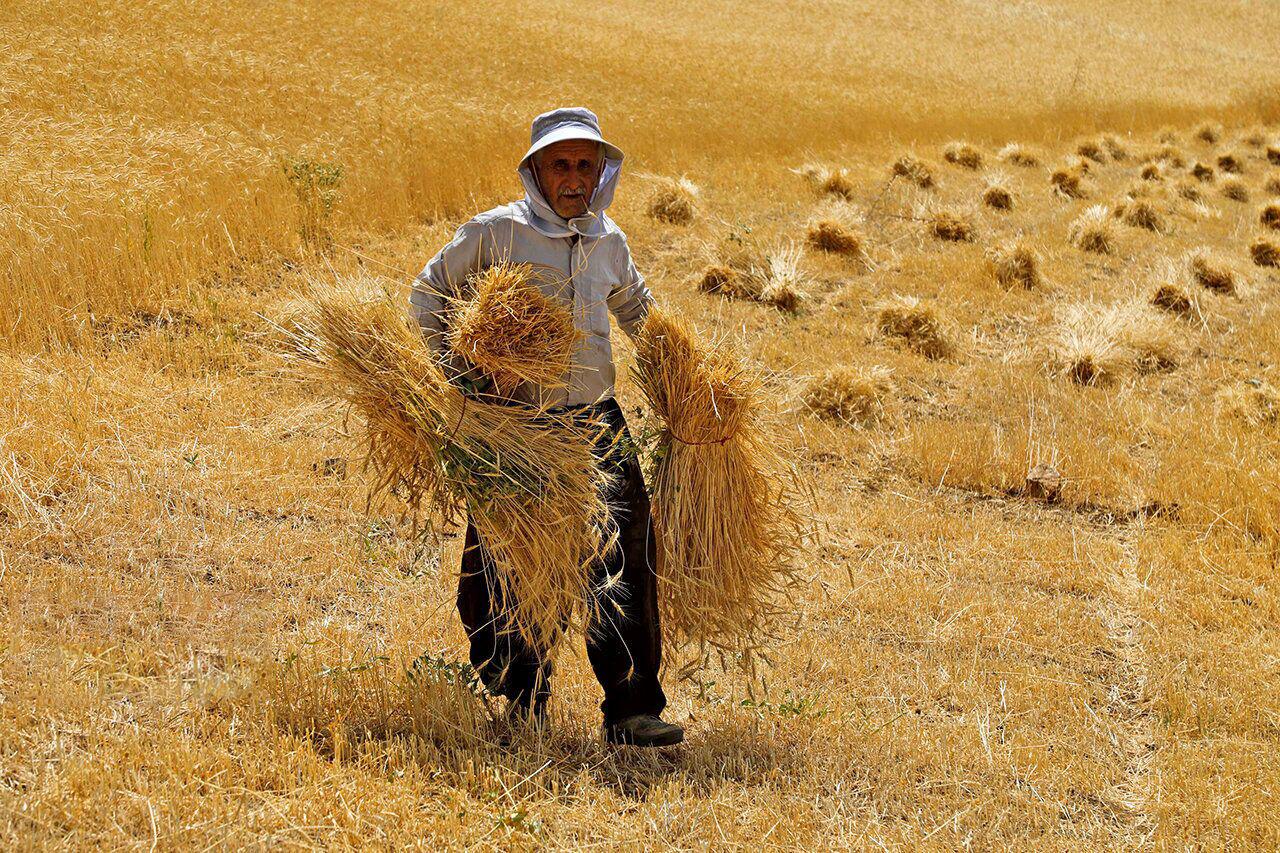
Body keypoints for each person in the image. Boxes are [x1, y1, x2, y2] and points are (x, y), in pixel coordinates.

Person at [410, 107, 683, 747]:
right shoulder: (497, 233)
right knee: (510, 561)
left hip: (596, 423)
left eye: (586, 165)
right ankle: (519, 697)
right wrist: (459, 375)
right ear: (535, 170)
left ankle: (632, 707)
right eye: (560, 164)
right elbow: (428, 293)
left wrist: (683, 383)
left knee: (624, 555)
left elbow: (641, 313)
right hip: (518, 426)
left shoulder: (608, 240)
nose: (573, 177)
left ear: (600, 173)